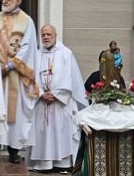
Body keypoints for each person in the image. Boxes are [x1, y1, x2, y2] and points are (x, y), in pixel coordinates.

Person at [0, 0, 39, 164]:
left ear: (18, 1)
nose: (4, 1)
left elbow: (28, 47)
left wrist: (11, 65)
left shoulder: (26, 21)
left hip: (15, 75)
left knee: (15, 114)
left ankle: (13, 151)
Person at [27, 24, 86, 173]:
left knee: (61, 131)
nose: (46, 37)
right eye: (43, 35)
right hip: (41, 102)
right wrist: (41, 93)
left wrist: (57, 94)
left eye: (49, 34)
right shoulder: (36, 54)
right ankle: (43, 165)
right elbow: (30, 77)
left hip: (61, 103)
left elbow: (69, 77)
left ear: (55, 35)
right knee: (43, 133)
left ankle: (63, 164)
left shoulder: (66, 53)